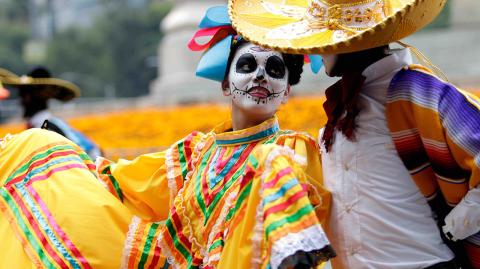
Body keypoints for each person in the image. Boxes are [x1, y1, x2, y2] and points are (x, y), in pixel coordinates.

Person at [0, 6, 335, 268]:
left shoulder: (287, 151)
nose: (260, 77)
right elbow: (126, 183)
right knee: (40, 146)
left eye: (275, 70)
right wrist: (64, 161)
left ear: (288, 91)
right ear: (224, 84)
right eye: (247, 65)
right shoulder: (196, 153)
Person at [230, 0, 479, 268]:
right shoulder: (339, 112)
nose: (318, 51)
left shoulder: (421, 93)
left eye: (325, 41)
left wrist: (454, 226)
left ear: (352, 44)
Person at [0, 66, 102, 159]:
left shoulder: (44, 127)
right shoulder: (52, 122)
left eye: (23, 95)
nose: (21, 101)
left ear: (29, 97)